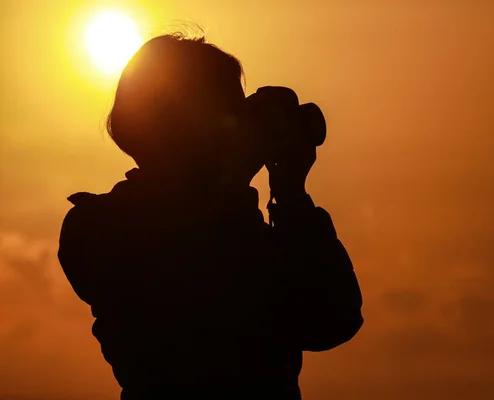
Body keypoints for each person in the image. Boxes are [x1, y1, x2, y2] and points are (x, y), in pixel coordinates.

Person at [58, 32, 363, 400]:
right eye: (229, 111)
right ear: (182, 123)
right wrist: (233, 181)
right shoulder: (98, 228)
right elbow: (198, 299)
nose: (240, 126)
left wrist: (291, 193)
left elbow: (333, 319)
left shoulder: (241, 225)